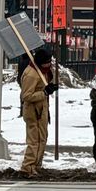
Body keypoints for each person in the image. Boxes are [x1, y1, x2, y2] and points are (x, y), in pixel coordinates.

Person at [20, 48, 58, 177]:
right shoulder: (31, 74)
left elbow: (43, 86)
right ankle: (28, 167)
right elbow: (26, 95)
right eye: (48, 62)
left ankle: (36, 165)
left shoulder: (43, 71)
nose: (50, 64)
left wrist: (50, 88)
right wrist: (44, 93)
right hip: (33, 111)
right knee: (34, 140)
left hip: (42, 110)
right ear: (41, 62)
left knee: (42, 138)